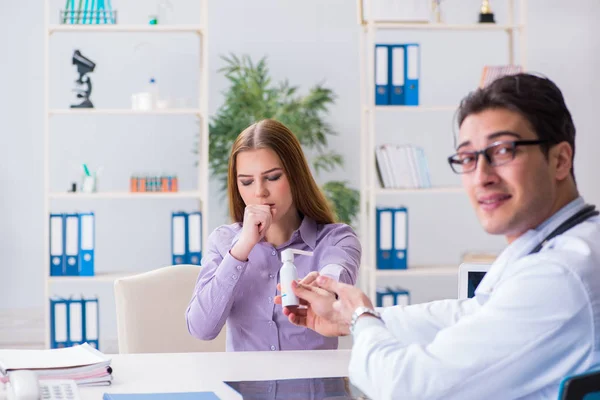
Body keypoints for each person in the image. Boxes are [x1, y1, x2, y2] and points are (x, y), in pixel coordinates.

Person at [275, 74, 600, 399]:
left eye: (502, 150)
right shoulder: (558, 247)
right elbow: (473, 314)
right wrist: (353, 316)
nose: (481, 177)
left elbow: (408, 387)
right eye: (469, 158)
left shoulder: (560, 274)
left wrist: (362, 319)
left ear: (560, 160)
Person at [186, 118, 361, 352]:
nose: (259, 192)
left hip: (313, 386)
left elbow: (335, 278)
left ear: (295, 176)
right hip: (245, 387)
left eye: (273, 177)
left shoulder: (337, 239)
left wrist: (324, 291)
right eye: (246, 182)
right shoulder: (224, 242)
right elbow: (201, 329)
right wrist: (241, 249)